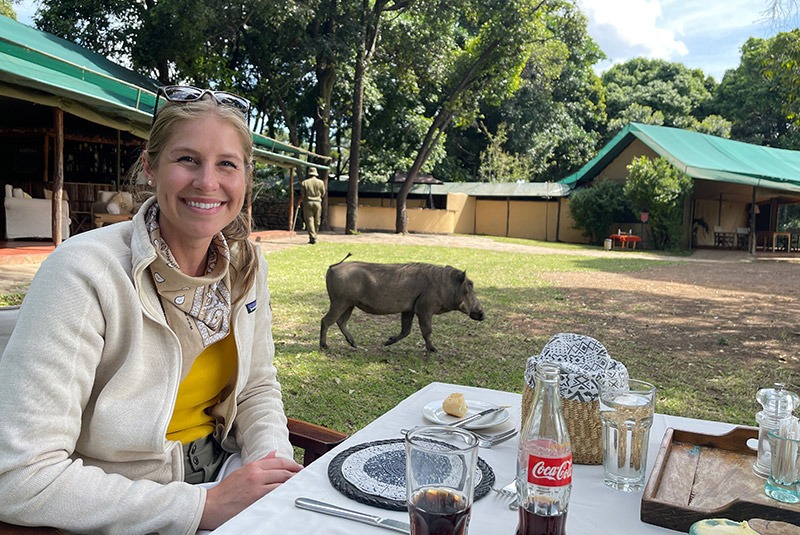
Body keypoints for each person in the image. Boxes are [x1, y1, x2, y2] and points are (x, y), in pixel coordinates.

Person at [0, 86, 303, 534]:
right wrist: (201, 507)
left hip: (226, 473)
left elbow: (256, 386)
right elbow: (19, 477)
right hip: (127, 505)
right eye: (186, 159)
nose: (207, 181)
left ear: (245, 177)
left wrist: (269, 468)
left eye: (227, 164)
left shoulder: (245, 265)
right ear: (149, 167)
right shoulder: (84, 272)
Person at [298, 167, 325, 244]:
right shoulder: (321, 182)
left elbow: (302, 195)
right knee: (317, 220)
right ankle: (314, 236)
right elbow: (323, 193)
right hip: (317, 202)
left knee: (309, 220)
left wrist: (299, 202)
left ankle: (312, 236)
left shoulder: (304, 183)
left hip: (308, 202)